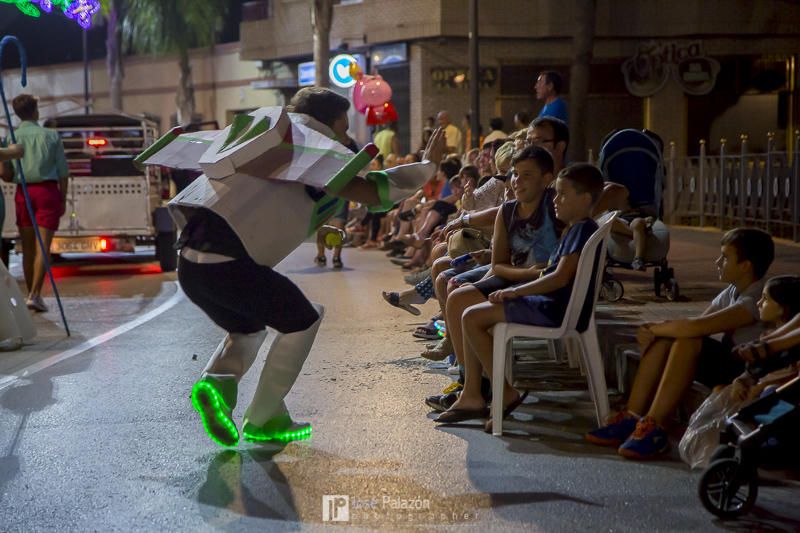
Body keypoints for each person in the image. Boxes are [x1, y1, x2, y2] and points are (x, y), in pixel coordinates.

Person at [144, 87, 447, 447]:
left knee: (249, 329)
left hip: (191, 264)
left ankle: (217, 385)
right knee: (304, 320)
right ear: (331, 122)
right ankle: (265, 418)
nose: (347, 137)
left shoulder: (255, 135)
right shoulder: (312, 143)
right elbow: (376, 194)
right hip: (230, 265)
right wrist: (428, 166)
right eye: (344, 127)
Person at [436, 163, 604, 426]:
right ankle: (484, 391)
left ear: (584, 199)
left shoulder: (581, 230)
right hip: (551, 304)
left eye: (562, 194)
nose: (555, 200)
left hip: (554, 308)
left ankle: (500, 392)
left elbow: (558, 278)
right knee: (470, 313)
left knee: (472, 317)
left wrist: (515, 291)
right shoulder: (575, 228)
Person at [586, 227, 775, 459]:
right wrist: (656, 331)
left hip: (747, 370)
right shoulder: (733, 290)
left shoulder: (757, 297)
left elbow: (697, 328)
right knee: (670, 336)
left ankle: (655, 426)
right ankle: (633, 416)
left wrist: (651, 327)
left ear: (746, 265)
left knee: (687, 340)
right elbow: (694, 321)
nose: (718, 262)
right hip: (731, 361)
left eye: (725, 257)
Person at [8, 94, 69, 313]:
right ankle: (35, 294)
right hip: (47, 191)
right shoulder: (51, 136)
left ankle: (29, 295)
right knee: (43, 246)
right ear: (36, 111)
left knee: (27, 248)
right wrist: (62, 198)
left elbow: (6, 172)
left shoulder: (12, 137)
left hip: (23, 192)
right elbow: (63, 172)